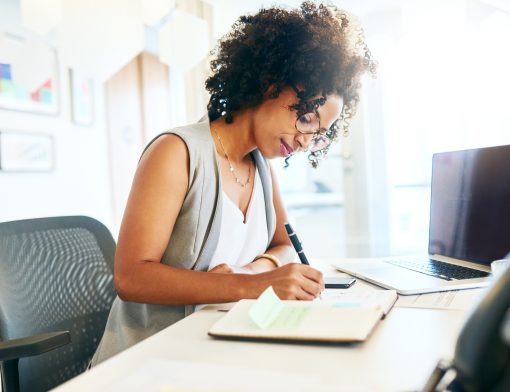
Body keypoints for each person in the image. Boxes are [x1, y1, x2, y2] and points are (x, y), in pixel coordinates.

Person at [91, 1, 375, 365]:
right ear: (269, 83)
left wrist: (254, 270)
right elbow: (131, 278)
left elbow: (285, 245)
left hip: (219, 351)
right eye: (306, 117)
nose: (305, 140)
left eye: (318, 135)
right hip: (149, 361)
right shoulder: (176, 152)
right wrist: (252, 286)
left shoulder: (260, 163)